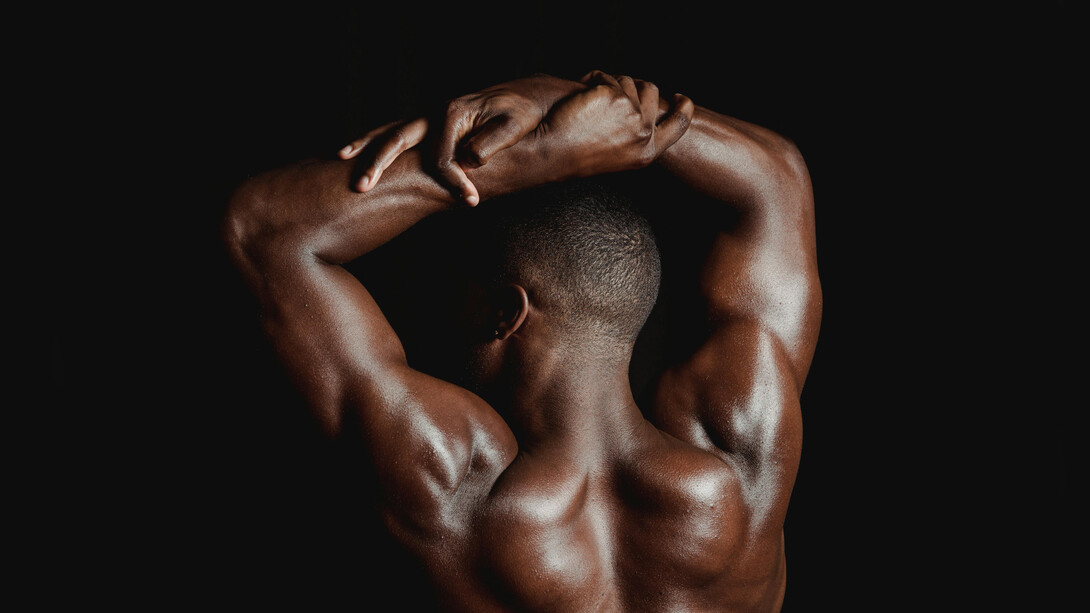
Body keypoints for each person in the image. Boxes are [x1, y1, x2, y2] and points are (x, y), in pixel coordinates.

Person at [223, 70, 821, 612]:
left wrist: (534, 156)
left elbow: (262, 231)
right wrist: (572, 105)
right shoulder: (743, 464)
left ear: (506, 312)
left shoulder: (454, 490)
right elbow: (778, 179)